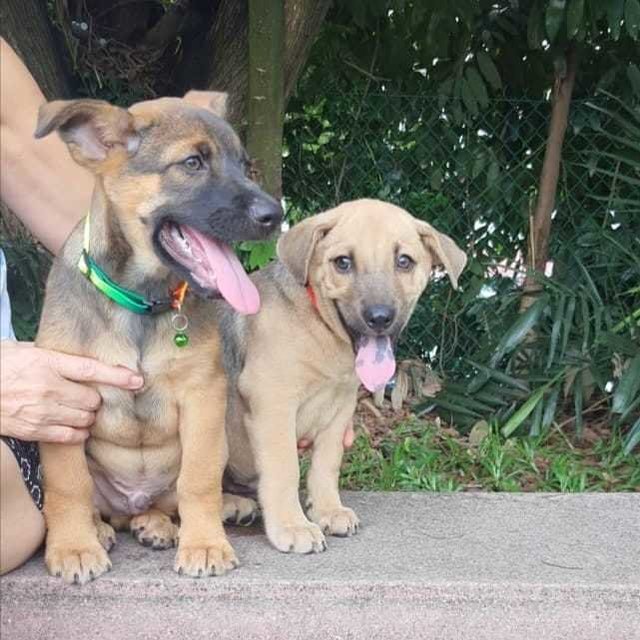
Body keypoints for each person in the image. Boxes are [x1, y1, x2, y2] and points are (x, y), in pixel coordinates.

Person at [0, 37, 354, 575]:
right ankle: (86, 517)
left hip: (161, 475)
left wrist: (200, 516)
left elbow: (205, 407)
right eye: (194, 164)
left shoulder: (190, 297)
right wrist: (70, 518)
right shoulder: (72, 296)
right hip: (91, 473)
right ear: (99, 145)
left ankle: (173, 513)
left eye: (237, 165)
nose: (258, 202)